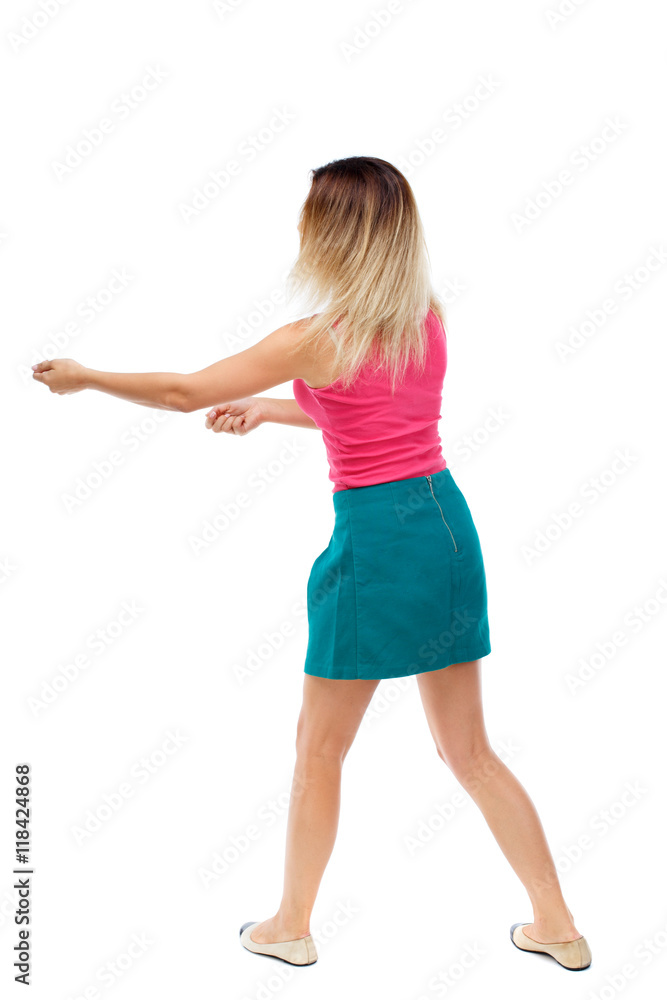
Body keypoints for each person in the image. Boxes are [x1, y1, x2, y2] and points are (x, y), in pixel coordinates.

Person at [32, 155, 591, 973]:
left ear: (330, 235)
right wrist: (268, 408)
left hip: (373, 543)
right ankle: (558, 926)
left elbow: (186, 392)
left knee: (318, 749)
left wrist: (87, 378)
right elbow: (370, 409)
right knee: (469, 751)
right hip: (443, 525)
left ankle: (289, 925)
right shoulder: (420, 318)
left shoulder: (313, 339)